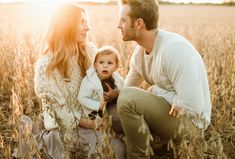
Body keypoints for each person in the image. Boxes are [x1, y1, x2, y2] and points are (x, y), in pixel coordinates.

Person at [14, 4, 125, 159]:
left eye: (87, 22)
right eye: (82, 22)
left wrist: (117, 94)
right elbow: (62, 114)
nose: (88, 28)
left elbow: (118, 80)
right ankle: (36, 140)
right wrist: (93, 124)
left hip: (91, 122)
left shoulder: (90, 53)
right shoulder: (46, 65)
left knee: (118, 150)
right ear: (66, 26)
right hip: (65, 129)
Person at [116, 0, 212, 158]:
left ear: (139, 23)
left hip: (191, 125)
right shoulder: (140, 53)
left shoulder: (174, 50)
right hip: (171, 113)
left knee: (127, 100)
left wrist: (156, 90)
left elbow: (194, 109)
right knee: (116, 110)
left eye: (123, 20)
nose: (118, 26)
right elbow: (126, 90)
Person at [78, 46, 124, 134]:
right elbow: (82, 98)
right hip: (95, 111)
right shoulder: (89, 80)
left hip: (112, 105)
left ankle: (120, 132)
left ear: (116, 67)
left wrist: (116, 94)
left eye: (110, 63)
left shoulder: (117, 78)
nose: (105, 66)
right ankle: (110, 132)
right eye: (101, 62)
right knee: (106, 122)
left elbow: (124, 90)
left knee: (119, 117)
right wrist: (98, 105)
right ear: (95, 65)